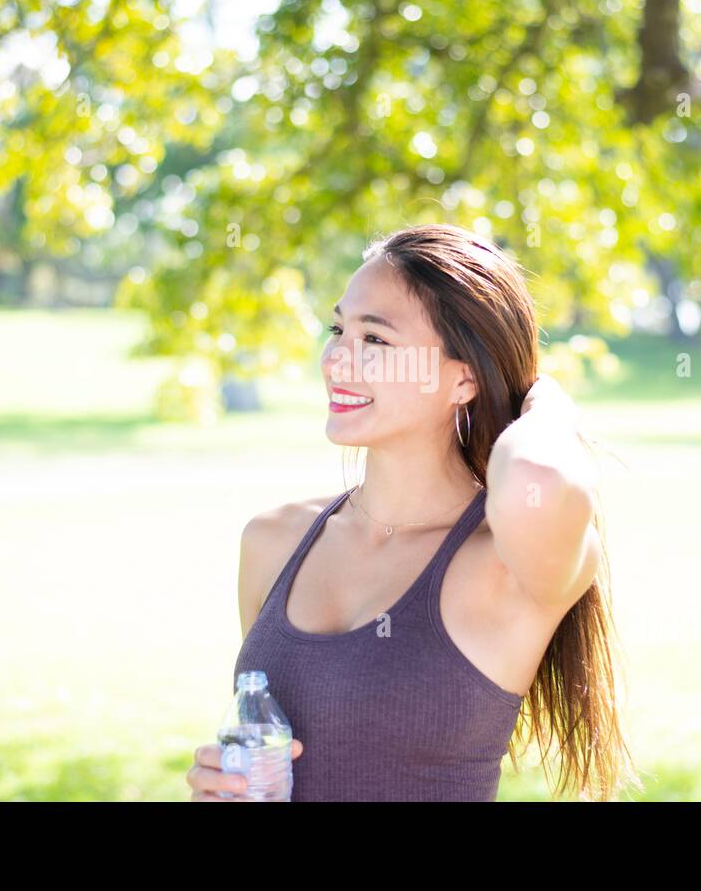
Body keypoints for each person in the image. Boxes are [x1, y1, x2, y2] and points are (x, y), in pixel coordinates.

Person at [188, 223, 637, 801]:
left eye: (375, 340)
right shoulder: (273, 542)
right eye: (337, 329)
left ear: (463, 377)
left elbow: (539, 476)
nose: (336, 360)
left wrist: (547, 404)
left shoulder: (504, 566)